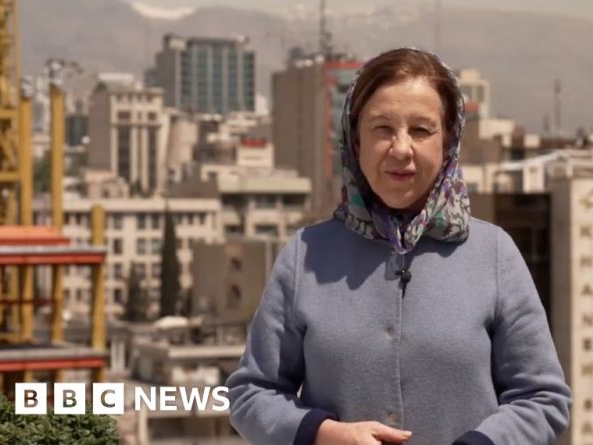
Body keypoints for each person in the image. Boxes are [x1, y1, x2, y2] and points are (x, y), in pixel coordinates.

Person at [226, 47, 572, 445]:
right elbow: (249, 394)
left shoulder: (494, 255)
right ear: (355, 139)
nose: (401, 148)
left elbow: (543, 398)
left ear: (449, 141)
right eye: (383, 128)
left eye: (421, 130)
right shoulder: (306, 255)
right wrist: (321, 434)